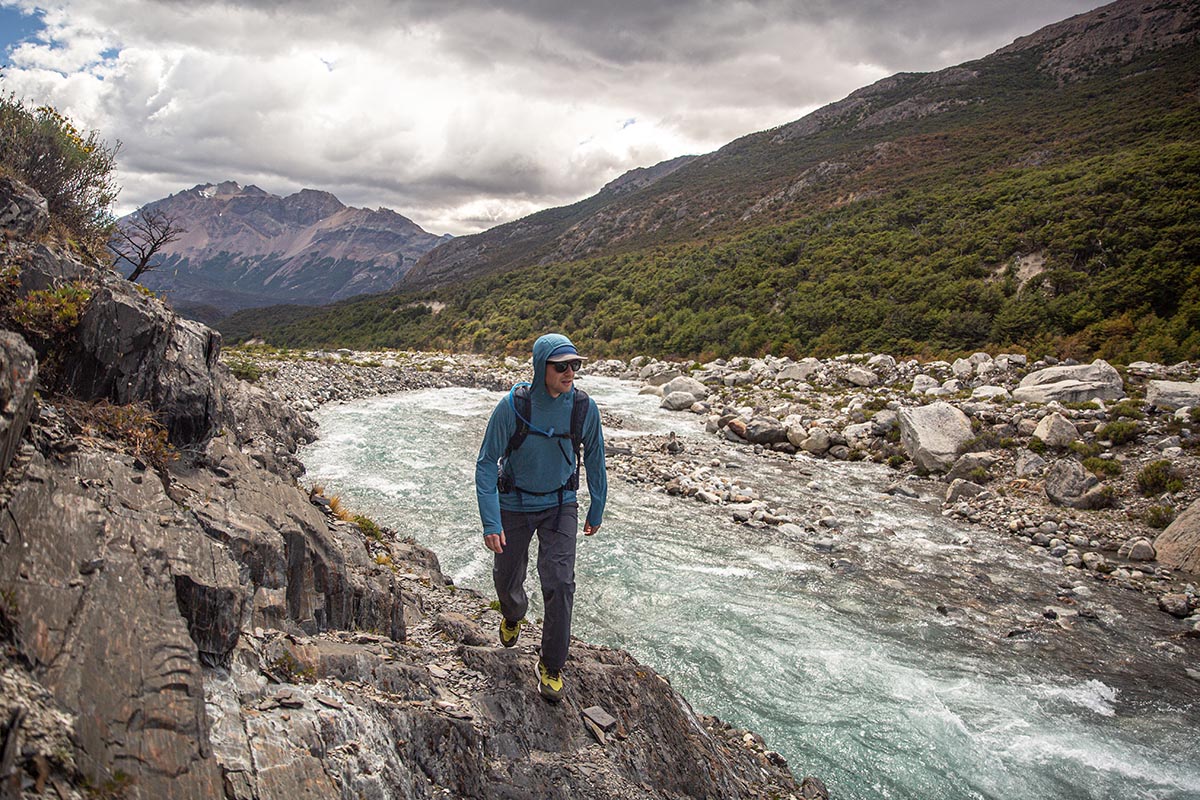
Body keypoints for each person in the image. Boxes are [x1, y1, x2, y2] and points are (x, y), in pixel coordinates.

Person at [474, 333, 607, 702]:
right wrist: (491, 521)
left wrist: (597, 505)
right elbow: (486, 464)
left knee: (561, 582)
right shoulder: (512, 407)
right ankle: (513, 613)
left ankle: (551, 664)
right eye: (561, 366)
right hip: (513, 504)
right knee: (506, 579)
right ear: (540, 367)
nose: (570, 373)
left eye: (575, 365)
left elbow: (595, 458)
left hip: (561, 504)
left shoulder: (583, 408)